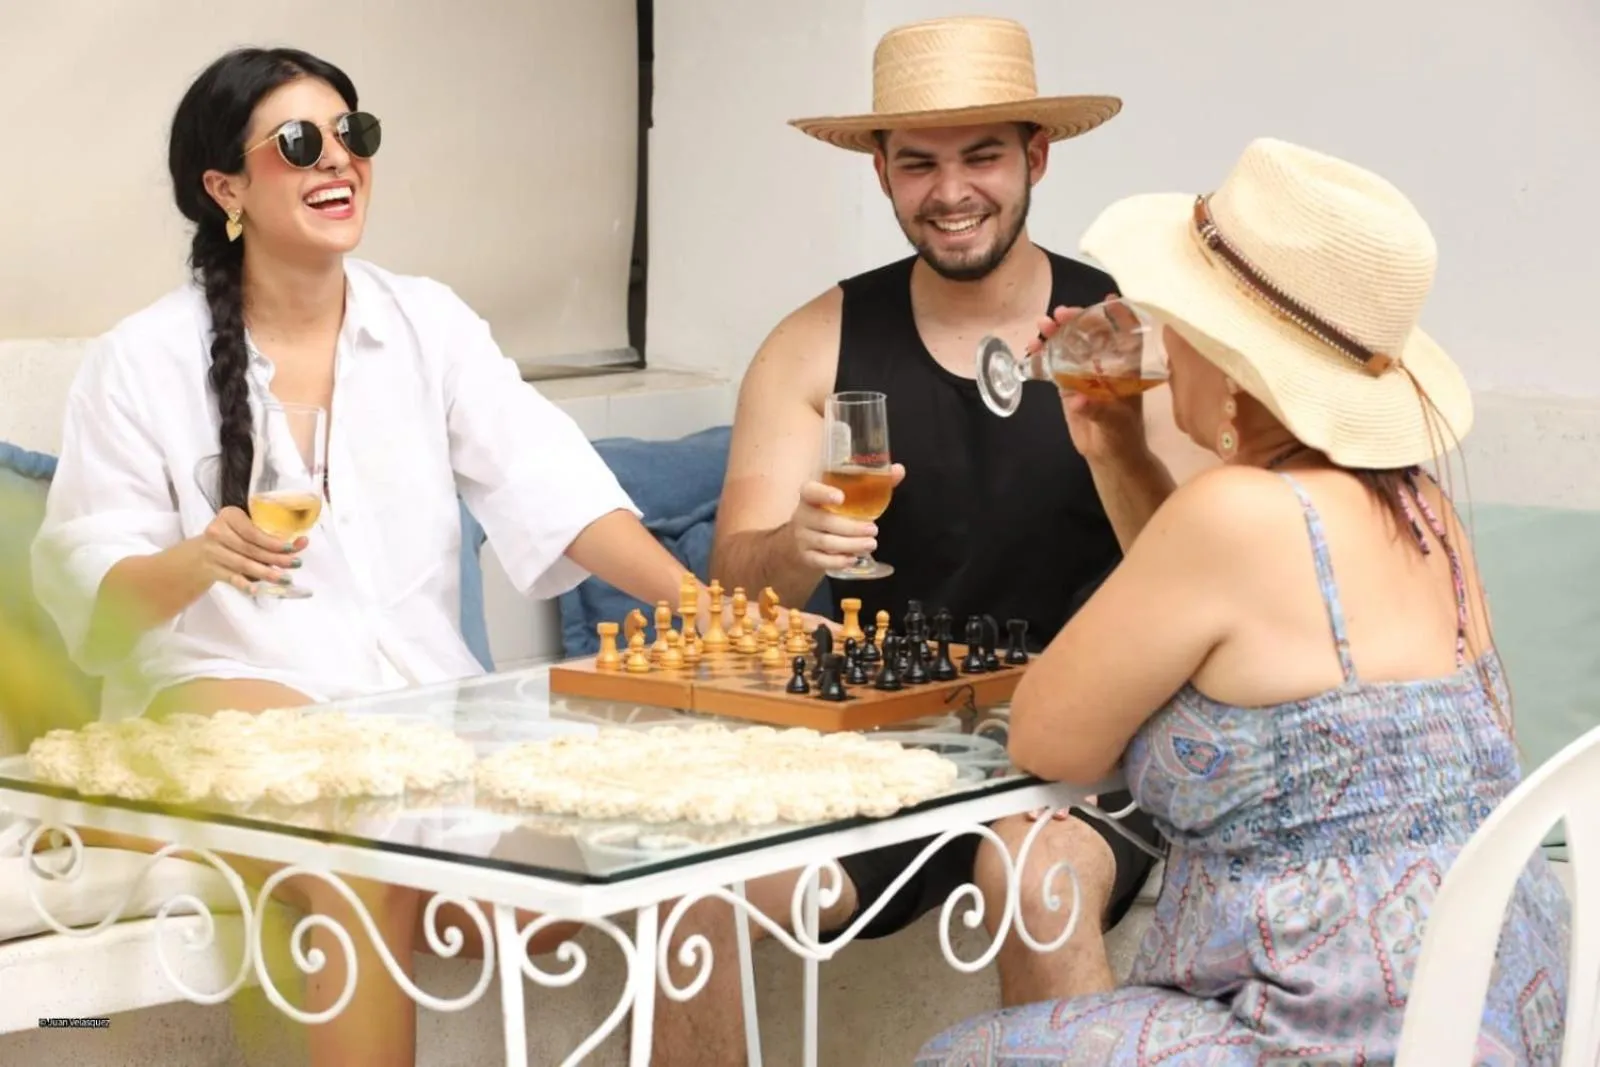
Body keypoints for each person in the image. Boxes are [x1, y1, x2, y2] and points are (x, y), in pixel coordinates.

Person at [28, 46, 734, 1067]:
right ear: (224, 187)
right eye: (300, 143)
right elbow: (91, 607)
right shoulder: (139, 360)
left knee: (603, 849)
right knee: (354, 819)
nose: (339, 160)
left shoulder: (427, 323)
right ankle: (140, 818)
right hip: (214, 699)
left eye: (354, 133)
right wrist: (199, 556)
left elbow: (552, 482)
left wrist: (700, 603)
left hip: (416, 709)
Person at [914, 137, 1573, 1064]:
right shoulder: (1421, 503)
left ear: (1233, 360)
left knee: (961, 1056)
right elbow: (1212, 634)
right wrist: (1118, 446)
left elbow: (1045, 736)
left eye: (1179, 320)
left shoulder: (1234, 514)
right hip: (1491, 1007)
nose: (1163, 341)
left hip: (1331, 1026)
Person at [688, 15, 1170, 1056]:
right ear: (881, 174)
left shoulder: (1125, 332)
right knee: (693, 879)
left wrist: (1119, 442)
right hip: (888, 754)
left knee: (1032, 875)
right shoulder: (811, 337)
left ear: (1036, 156)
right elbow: (735, 586)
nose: (950, 191)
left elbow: (1203, 566)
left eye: (982, 155)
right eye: (918, 163)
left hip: (1089, 751)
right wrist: (794, 547)